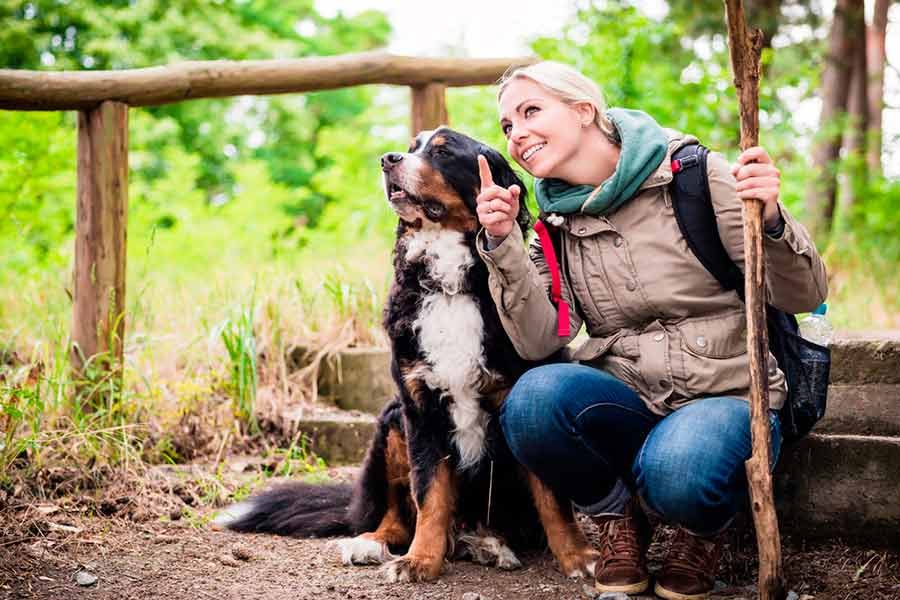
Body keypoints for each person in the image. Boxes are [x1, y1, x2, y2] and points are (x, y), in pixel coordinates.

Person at [474, 61, 827, 600]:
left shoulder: (694, 176)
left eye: (530, 111)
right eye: (506, 126)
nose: (515, 134)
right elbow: (542, 340)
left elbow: (803, 294)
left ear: (584, 110)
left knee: (679, 470)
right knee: (531, 402)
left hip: (726, 394)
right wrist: (504, 247)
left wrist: (773, 220)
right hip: (630, 395)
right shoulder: (552, 224)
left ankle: (700, 531)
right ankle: (619, 521)